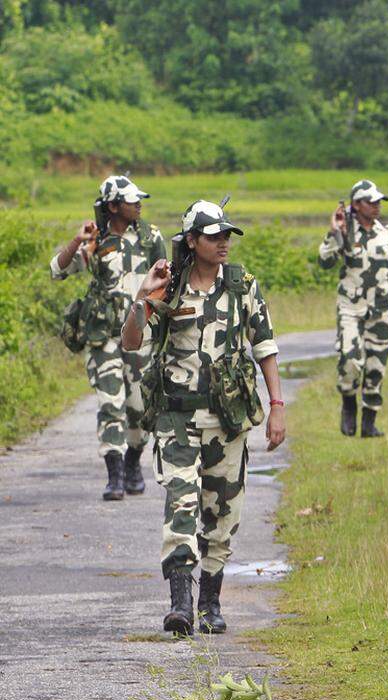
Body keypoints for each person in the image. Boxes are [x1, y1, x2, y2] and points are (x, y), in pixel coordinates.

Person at [120, 200, 285, 636]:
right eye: (213, 236)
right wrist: (144, 295)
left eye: (226, 235)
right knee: (181, 505)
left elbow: (264, 346)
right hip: (177, 418)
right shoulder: (168, 287)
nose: (223, 243)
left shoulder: (243, 285)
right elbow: (131, 340)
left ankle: (210, 601)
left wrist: (277, 407)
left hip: (228, 421)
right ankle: (180, 605)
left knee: (222, 515)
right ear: (192, 241)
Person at [50, 175, 166, 500]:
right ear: (114, 206)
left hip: (140, 334)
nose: (139, 205)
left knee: (139, 406)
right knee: (110, 403)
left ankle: (133, 461)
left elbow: (165, 281)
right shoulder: (95, 241)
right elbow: (57, 270)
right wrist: (77, 242)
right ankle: (114, 475)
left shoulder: (150, 236)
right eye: (132, 201)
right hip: (103, 336)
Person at [317, 180, 388, 437]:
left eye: (379, 202)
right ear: (356, 204)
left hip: (381, 308)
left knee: (377, 366)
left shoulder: (387, 232)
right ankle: (348, 405)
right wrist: (335, 232)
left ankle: (368, 423)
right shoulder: (344, 230)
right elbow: (324, 262)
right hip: (351, 308)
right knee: (350, 360)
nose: (376, 206)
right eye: (371, 202)